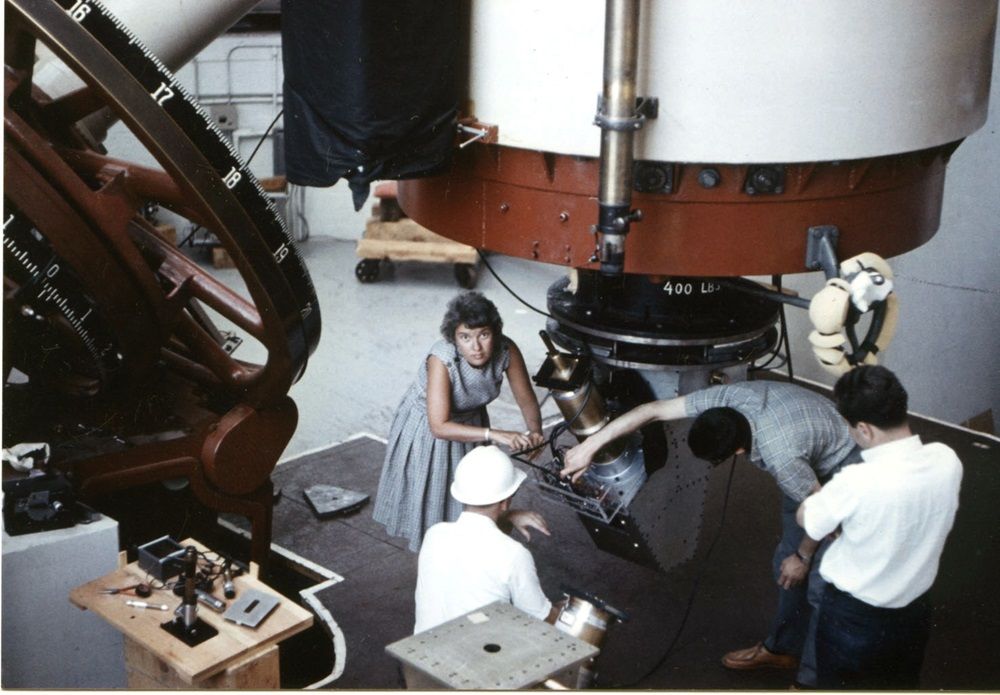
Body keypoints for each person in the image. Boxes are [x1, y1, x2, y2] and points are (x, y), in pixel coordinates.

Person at [561, 380, 862, 688]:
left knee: (822, 586)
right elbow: (653, 411)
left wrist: (804, 556)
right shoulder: (726, 397)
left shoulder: (782, 457)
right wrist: (588, 447)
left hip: (844, 463)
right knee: (784, 566)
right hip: (809, 444)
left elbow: (822, 512)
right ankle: (782, 649)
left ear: (739, 450)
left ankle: (811, 682)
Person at [796, 366, 962, 689]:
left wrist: (820, 501)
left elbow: (808, 519)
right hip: (914, 614)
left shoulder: (857, 481)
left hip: (854, 618)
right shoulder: (947, 459)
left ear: (863, 429)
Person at [373, 291, 545, 552]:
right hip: (429, 428)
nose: (476, 347)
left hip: (472, 421)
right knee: (433, 502)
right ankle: (434, 558)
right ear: (454, 338)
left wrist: (535, 432)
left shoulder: (506, 349)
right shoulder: (441, 358)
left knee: (475, 496)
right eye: (465, 337)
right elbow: (439, 426)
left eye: (483, 335)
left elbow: (526, 399)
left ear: (495, 332)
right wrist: (495, 434)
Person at [414, 445, 557, 633]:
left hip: (423, 647)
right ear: (505, 502)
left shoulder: (434, 535)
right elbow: (541, 617)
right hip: (478, 651)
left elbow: (478, 543)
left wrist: (507, 516)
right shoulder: (514, 554)